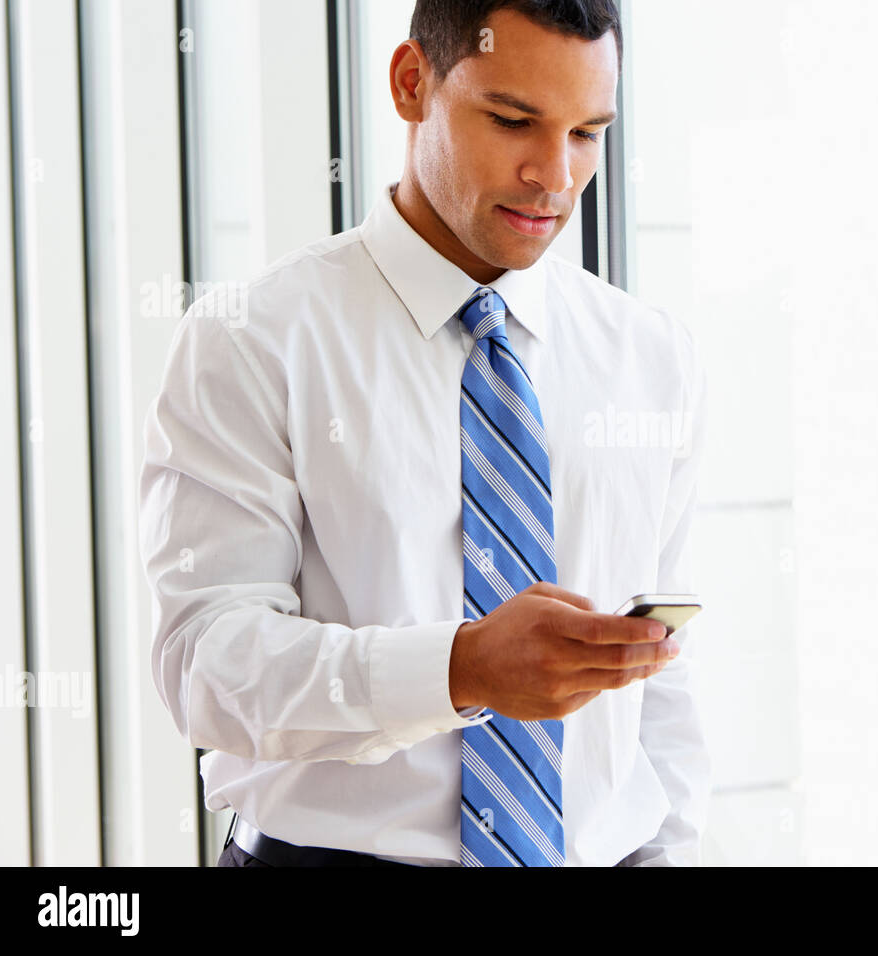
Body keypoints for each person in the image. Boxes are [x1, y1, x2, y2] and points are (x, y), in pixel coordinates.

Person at [138, 0, 711, 868]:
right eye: (513, 120)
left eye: (588, 132)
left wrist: (674, 848)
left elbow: (659, 686)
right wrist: (462, 668)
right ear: (413, 84)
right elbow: (208, 666)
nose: (554, 176)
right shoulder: (253, 341)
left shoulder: (650, 356)